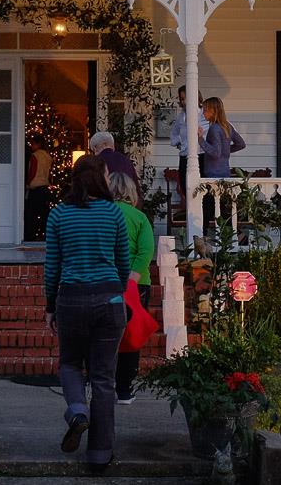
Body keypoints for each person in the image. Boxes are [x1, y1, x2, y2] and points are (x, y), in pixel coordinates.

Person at [44, 154, 130, 472]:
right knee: (104, 379)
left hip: (71, 299)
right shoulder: (114, 214)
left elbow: (52, 266)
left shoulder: (58, 215)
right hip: (109, 301)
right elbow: (124, 262)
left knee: (69, 364)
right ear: (99, 179)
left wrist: (50, 306)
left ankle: (78, 412)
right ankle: (99, 455)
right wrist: (114, 291)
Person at [107, 170, 154, 405]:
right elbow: (146, 250)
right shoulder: (139, 218)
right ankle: (124, 389)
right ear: (131, 192)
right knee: (130, 336)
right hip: (136, 284)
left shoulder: (104, 215)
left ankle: (103, 384)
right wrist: (133, 277)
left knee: (104, 336)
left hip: (106, 281)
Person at [199, 96, 245, 179]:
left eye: (205, 110)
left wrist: (200, 139)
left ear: (213, 111)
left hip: (212, 173)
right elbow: (241, 144)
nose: (203, 113)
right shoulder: (227, 126)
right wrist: (225, 150)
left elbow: (216, 153)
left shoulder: (214, 128)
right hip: (225, 171)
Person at [25, 139, 53, 241]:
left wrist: (28, 183)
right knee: (44, 214)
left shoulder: (35, 156)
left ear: (38, 144)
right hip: (44, 187)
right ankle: (46, 235)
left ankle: (30, 236)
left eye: (33, 143)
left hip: (35, 187)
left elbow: (32, 171)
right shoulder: (48, 156)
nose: (31, 146)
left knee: (31, 214)